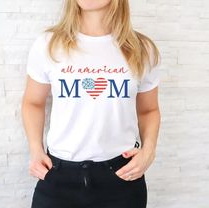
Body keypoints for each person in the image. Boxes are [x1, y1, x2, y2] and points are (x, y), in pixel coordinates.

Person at [21, 0, 161, 207]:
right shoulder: (49, 44)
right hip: (58, 177)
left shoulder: (141, 48)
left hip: (122, 177)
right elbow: (32, 102)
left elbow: (149, 110)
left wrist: (149, 152)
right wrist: (35, 149)